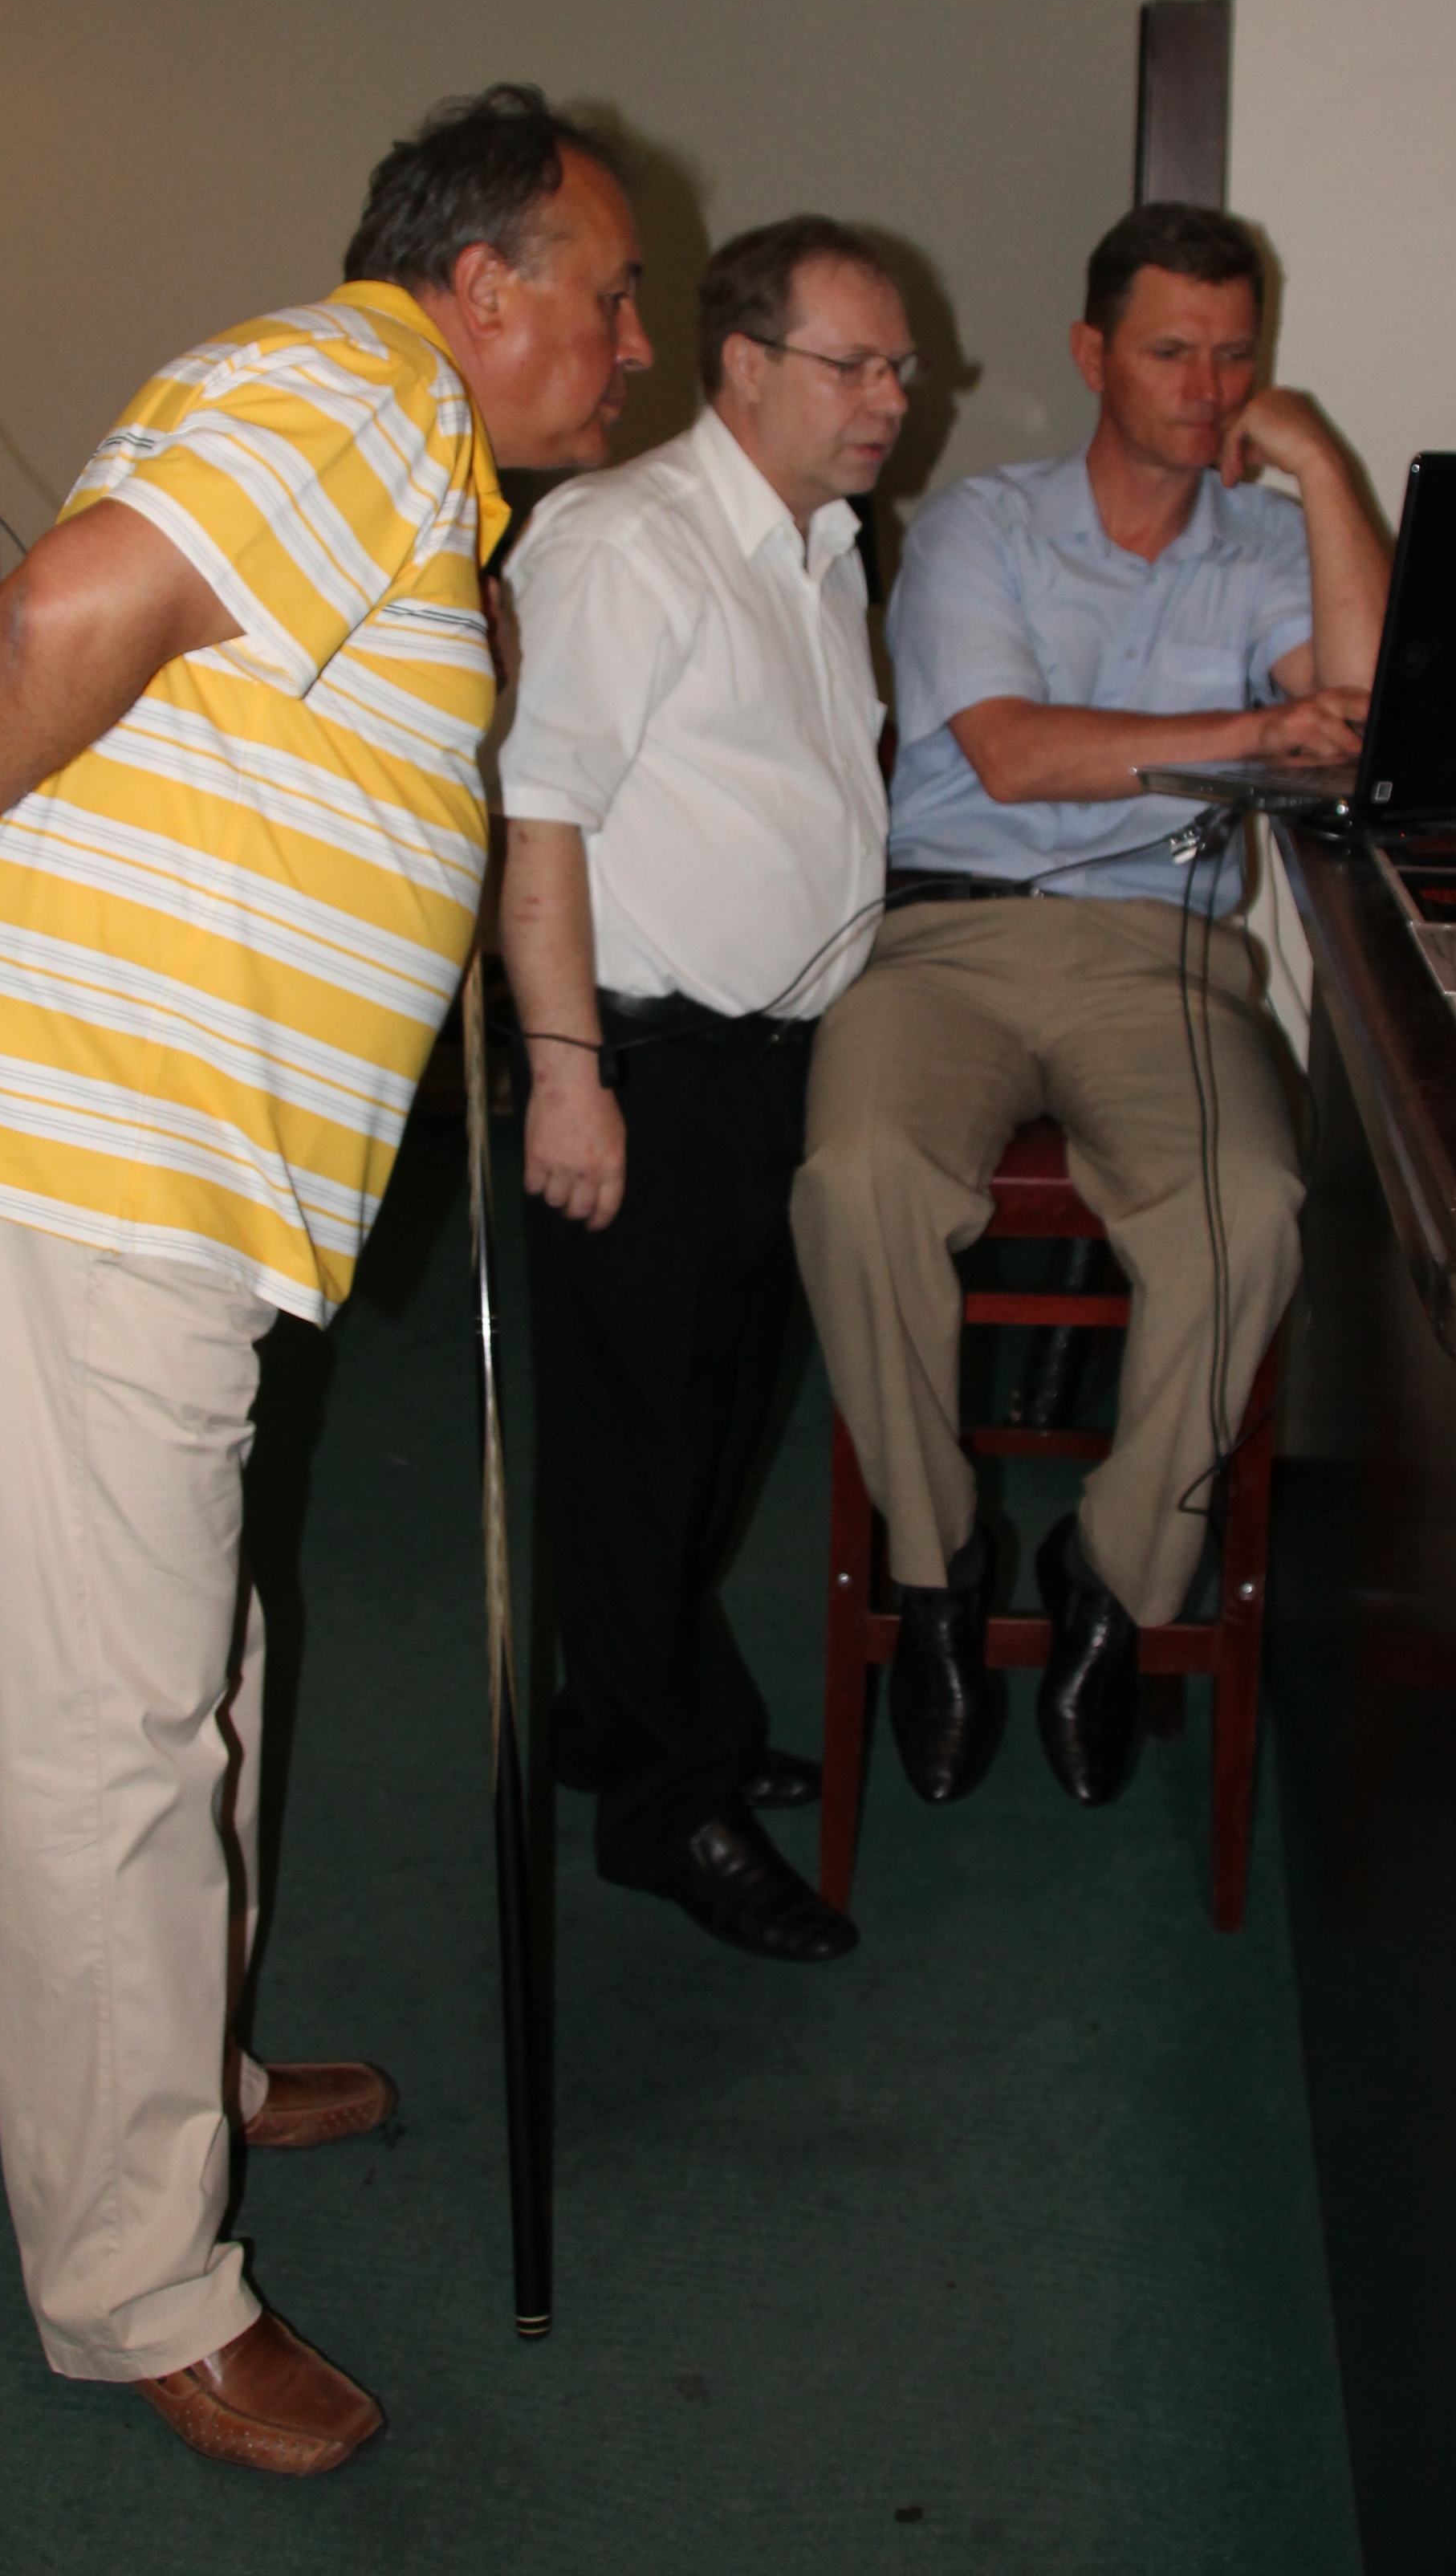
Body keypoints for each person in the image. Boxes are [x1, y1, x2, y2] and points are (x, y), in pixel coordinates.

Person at [0, 87, 652, 2480]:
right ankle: (138, 2274)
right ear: (480, 284)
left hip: (159, 1168)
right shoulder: (352, 382)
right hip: (83, 1146)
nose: (634, 340)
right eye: (611, 289)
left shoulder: (404, 463)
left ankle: (187, 2071)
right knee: (105, 1732)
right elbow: (64, 611)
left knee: (185, 1672)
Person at [792, 200, 1390, 1812]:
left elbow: (1363, 723)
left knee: (1247, 1211)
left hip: (1157, 954)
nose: (1206, 390)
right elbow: (1009, 754)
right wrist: (1249, 736)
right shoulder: (980, 526)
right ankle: (935, 1569)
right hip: (945, 942)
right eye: (1170, 351)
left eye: (1235, 357)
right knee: (856, 1183)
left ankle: (1113, 1581)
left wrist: (1319, 466)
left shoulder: (1263, 544)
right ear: (1090, 355)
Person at [497, 217, 912, 1963]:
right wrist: (566, 1075)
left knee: (716, 1429)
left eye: (900, 367)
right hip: (642, 1056)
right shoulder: (626, 539)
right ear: (743, 366)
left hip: (774, 1058)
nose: (891, 397)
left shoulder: (823, 547)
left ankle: (634, 1718)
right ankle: (670, 1812)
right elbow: (539, 811)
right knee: (637, 1449)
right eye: (854, 364)